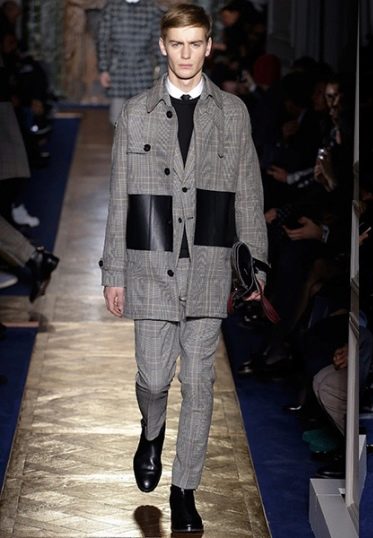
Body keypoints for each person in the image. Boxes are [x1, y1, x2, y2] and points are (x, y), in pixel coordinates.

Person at [100, 4, 267, 533]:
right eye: (178, 44)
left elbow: (248, 193)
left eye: (196, 44)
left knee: (199, 382)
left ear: (209, 46)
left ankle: (184, 490)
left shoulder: (233, 113)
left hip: (210, 264)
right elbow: (120, 198)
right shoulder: (136, 113)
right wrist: (113, 272)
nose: (187, 54)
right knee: (154, 379)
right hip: (150, 261)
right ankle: (151, 430)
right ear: (163, 46)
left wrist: (257, 267)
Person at [97, 0, 163, 126]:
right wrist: (103, 69)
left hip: (143, 72)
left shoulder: (151, 9)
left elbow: (159, 44)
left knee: (143, 120)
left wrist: (163, 72)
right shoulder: (112, 8)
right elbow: (103, 40)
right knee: (117, 120)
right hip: (117, 71)